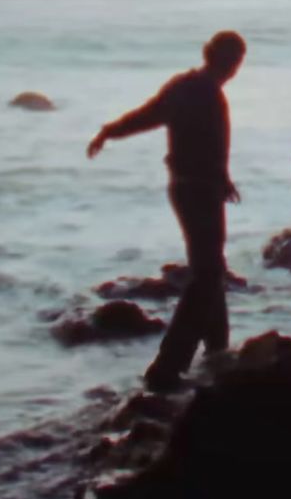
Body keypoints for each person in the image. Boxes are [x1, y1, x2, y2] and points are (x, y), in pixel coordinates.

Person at [87, 30, 246, 390]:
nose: (232, 67)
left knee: (212, 268)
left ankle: (217, 349)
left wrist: (110, 131)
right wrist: (110, 131)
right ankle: (168, 365)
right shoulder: (203, 91)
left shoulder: (186, 86)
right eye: (230, 59)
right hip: (195, 189)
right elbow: (157, 120)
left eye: (235, 61)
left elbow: (152, 117)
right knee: (205, 276)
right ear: (217, 57)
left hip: (191, 187)